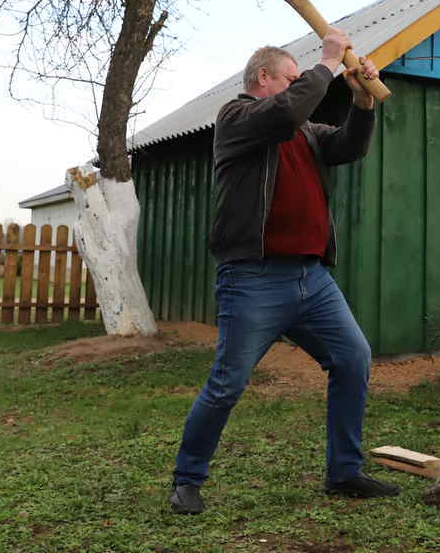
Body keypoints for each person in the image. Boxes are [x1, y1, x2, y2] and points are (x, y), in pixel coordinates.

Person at [169, 29, 398, 515]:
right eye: (292, 79)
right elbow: (287, 110)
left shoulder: (306, 133)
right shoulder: (237, 118)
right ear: (263, 78)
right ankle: (187, 480)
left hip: (311, 280)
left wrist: (361, 102)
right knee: (228, 383)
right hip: (253, 277)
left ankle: (344, 472)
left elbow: (348, 147)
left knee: (353, 358)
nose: (301, 88)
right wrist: (330, 61)